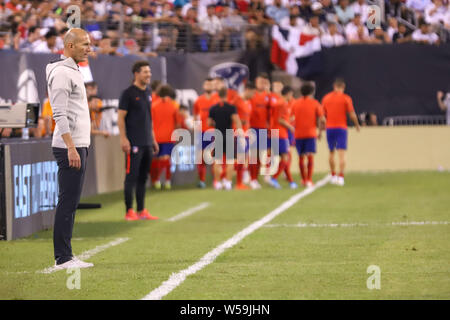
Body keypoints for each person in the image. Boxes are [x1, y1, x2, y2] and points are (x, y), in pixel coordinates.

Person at [45, 28, 93, 270]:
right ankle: (62, 257)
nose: (89, 47)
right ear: (70, 45)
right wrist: (71, 147)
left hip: (78, 144)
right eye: (84, 43)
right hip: (69, 146)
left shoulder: (72, 69)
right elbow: (59, 114)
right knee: (67, 201)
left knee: (71, 202)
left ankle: (66, 255)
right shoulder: (63, 73)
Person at [118, 60, 159, 221]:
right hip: (133, 142)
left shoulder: (148, 92)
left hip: (147, 142)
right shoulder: (127, 93)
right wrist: (124, 139)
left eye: (149, 72)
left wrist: (153, 139)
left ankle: (141, 210)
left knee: (143, 178)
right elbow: (120, 118)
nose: (148, 74)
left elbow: (149, 119)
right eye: (145, 72)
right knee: (131, 177)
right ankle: (129, 211)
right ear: (136, 73)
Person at [321, 78, 360, 186]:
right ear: (343, 87)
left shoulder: (326, 98)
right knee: (341, 154)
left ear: (334, 87)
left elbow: (322, 116)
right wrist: (357, 125)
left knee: (331, 153)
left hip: (330, 128)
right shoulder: (346, 98)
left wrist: (320, 129)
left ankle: (333, 175)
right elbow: (352, 114)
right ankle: (341, 177)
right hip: (341, 128)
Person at [208, 87, 243, 190]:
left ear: (218, 95)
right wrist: (240, 132)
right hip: (228, 135)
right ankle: (228, 182)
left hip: (218, 134)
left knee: (217, 161)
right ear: (226, 95)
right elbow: (236, 121)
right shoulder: (231, 108)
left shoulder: (213, 108)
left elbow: (209, 122)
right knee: (230, 161)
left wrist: (216, 123)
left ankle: (218, 183)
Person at [292, 82, 326, 187]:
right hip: (310, 133)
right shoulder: (315, 103)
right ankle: (309, 180)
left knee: (301, 157)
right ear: (312, 92)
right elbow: (322, 119)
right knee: (310, 156)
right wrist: (320, 132)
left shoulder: (295, 103)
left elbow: (290, 119)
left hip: (298, 134)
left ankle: (303, 180)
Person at [151, 84, 181, 189]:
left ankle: (157, 181)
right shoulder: (173, 106)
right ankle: (168, 181)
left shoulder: (153, 106)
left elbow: (150, 123)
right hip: (169, 137)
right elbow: (178, 123)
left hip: (156, 137)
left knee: (157, 159)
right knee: (167, 159)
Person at [269, 84, 297, 189]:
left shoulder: (277, 103)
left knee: (284, 157)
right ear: (289, 94)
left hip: (275, 132)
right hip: (281, 133)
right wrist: (290, 126)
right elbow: (280, 120)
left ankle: (291, 182)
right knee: (286, 157)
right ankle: (274, 178)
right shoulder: (283, 104)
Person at [193, 78, 220, 188]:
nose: (208, 86)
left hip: (215, 131)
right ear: (204, 86)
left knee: (214, 156)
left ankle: (216, 180)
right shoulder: (199, 100)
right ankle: (202, 181)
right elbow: (195, 116)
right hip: (202, 132)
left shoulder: (217, 99)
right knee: (201, 157)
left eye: (210, 84)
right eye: (206, 84)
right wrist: (196, 129)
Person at [248, 72, 271, 189]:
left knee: (265, 154)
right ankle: (253, 179)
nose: (262, 84)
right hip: (253, 128)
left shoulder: (269, 97)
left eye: (264, 82)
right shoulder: (252, 95)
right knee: (253, 155)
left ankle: (264, 175)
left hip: (264, 129)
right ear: (256, 82)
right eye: (260, 82)